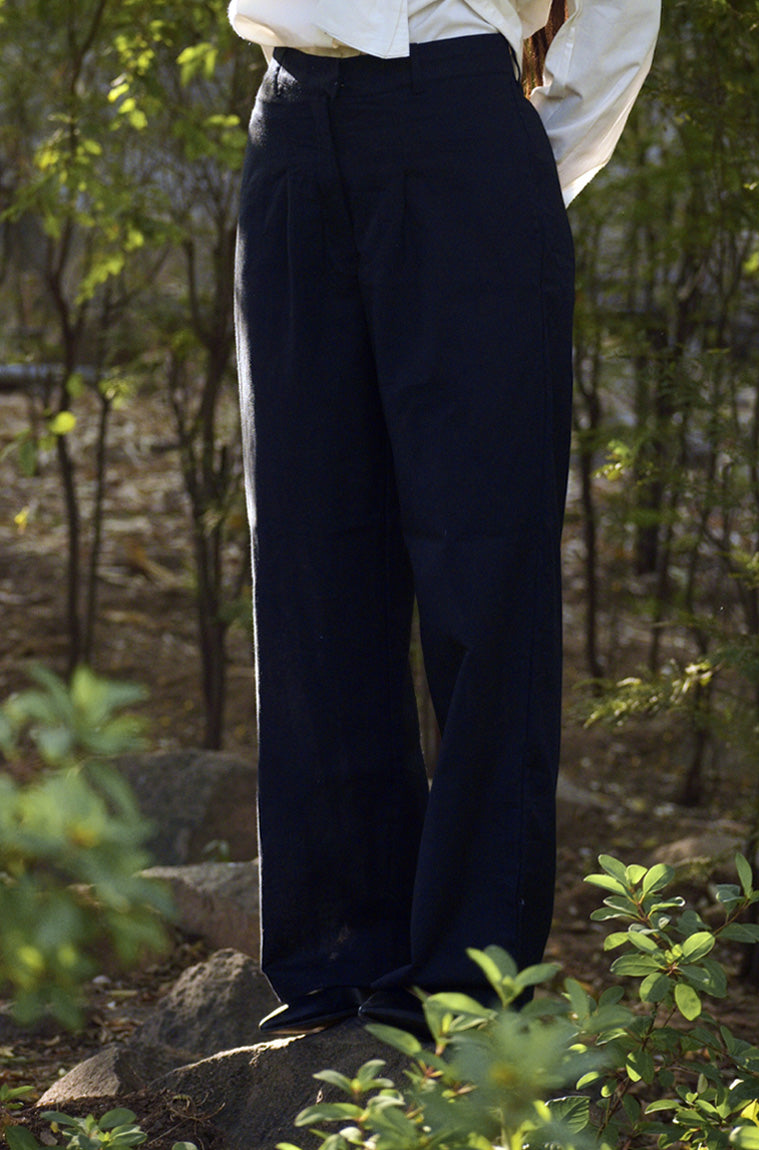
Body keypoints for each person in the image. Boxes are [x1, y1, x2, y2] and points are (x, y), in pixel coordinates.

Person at [230, 0, 660, 1037]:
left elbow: (615, 15)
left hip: (463, 125)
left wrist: (507, 171)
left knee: (483, 571)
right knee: (308, 559)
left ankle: (467, 979)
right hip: (290, 125)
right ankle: (338, 955)